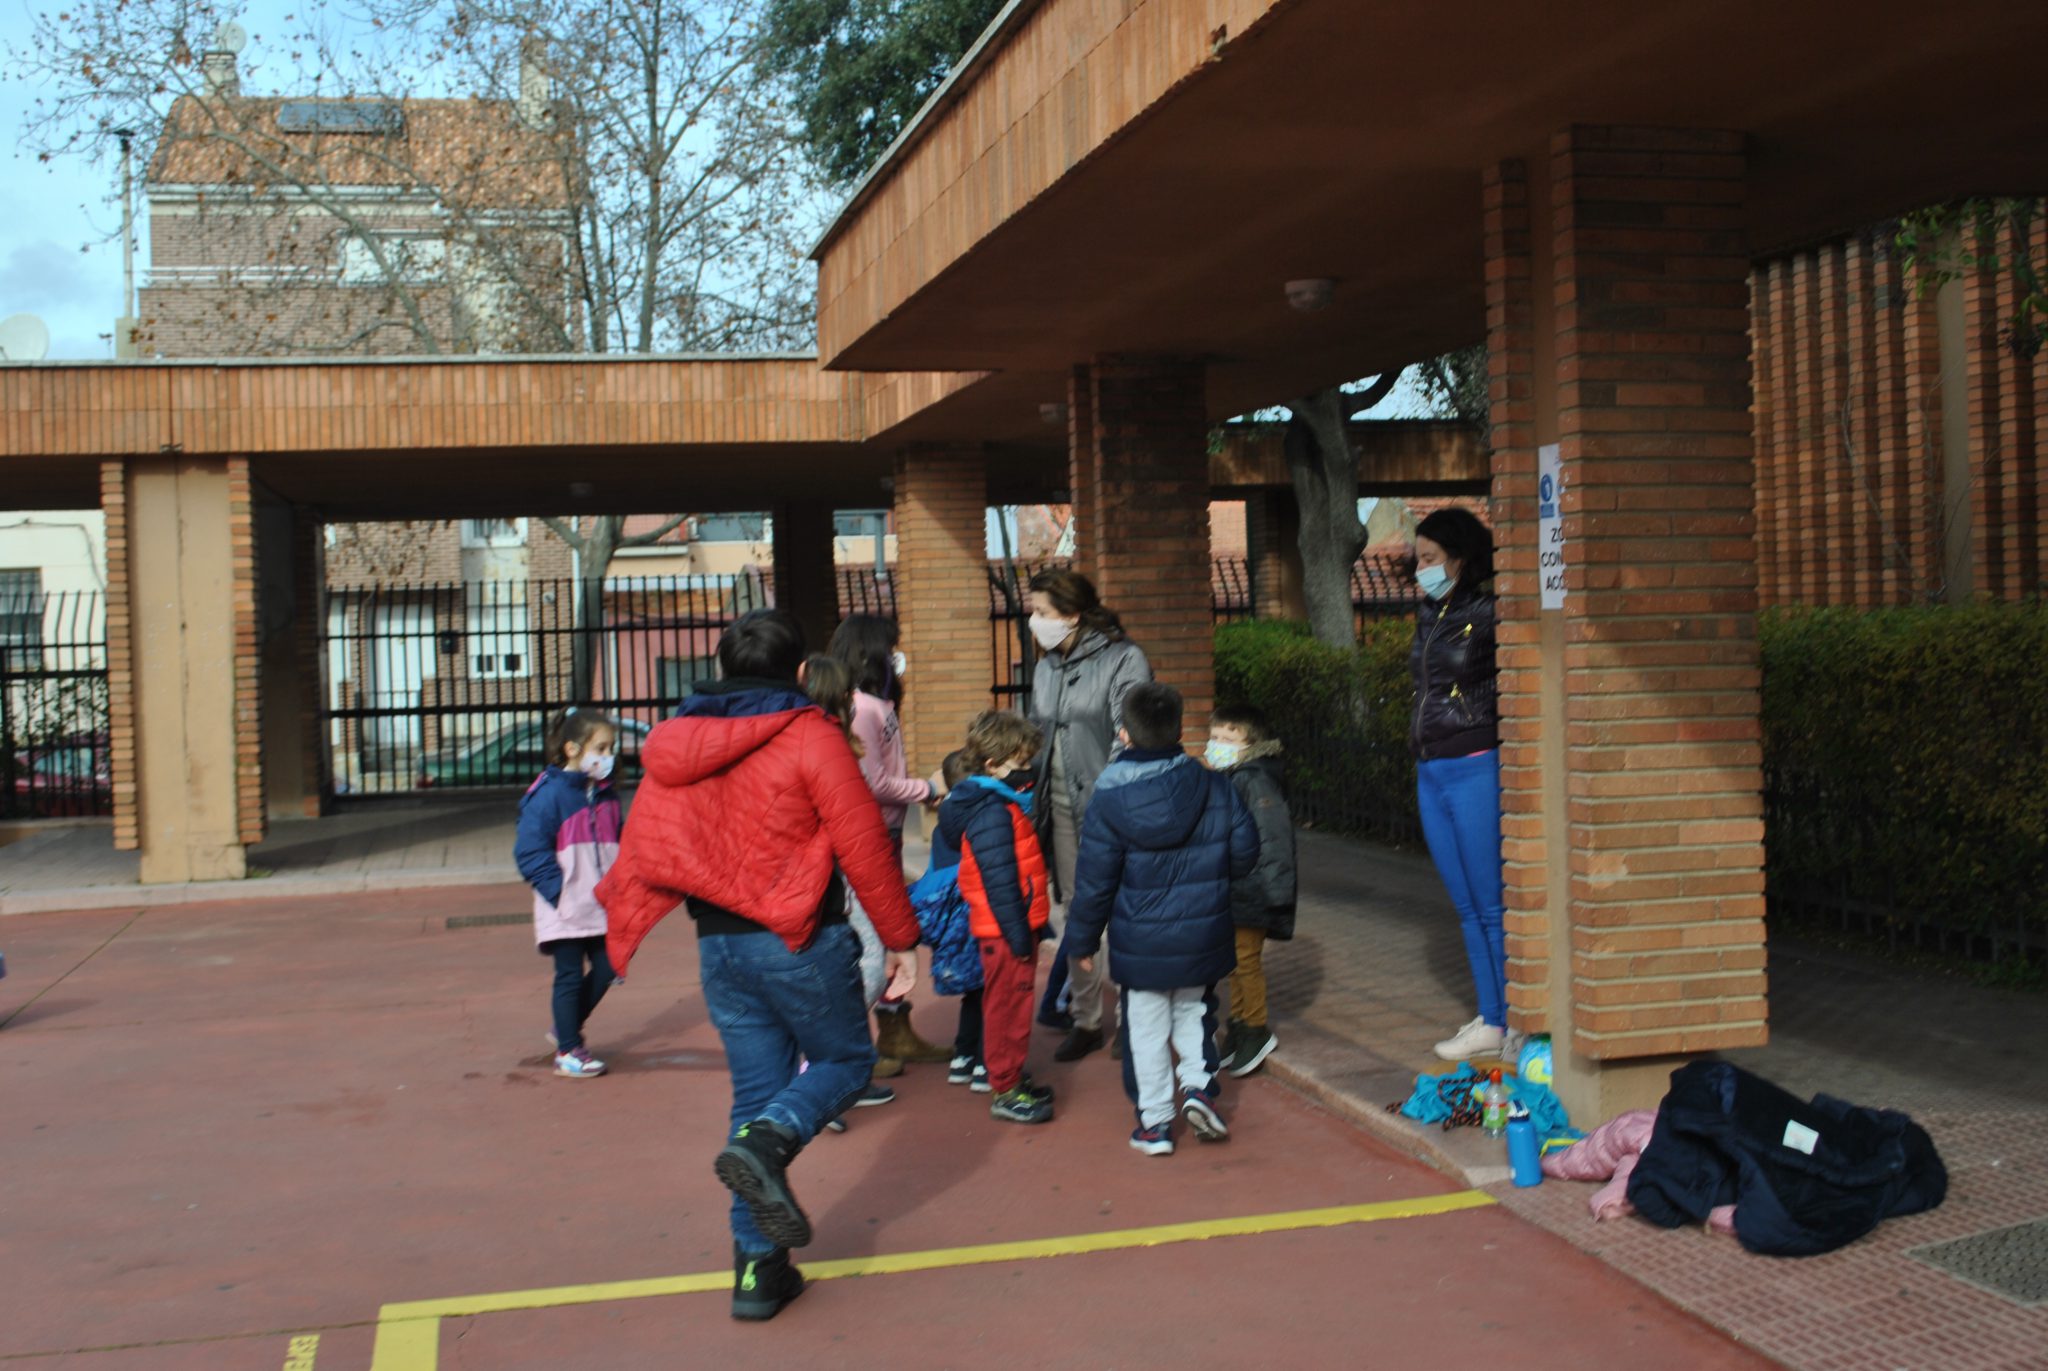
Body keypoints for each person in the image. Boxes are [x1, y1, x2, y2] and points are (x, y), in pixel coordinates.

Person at [596, 609, 918, 1322]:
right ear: (800, 672)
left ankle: (756, 1274)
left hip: (718, 944)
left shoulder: (677, 741)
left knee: (753, 1097)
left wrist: (628, 908)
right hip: (798, 936)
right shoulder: (811, 734)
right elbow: (863, 841)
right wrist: (900, 937)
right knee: (844, 1063)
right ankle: (772, 1143)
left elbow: (652, 834)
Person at [1065, 683, 1258, 1156]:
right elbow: (1247, 853)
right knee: (1194, 1011)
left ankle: (1155, 1124)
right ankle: (1197, 1087)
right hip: (1202, 932)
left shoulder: (1108, 799)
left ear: (1124, 734)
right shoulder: (1214, 784)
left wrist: (1082, 941)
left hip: (1140, 941)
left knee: (1145, 1030)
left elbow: (1094, 879)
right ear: (1178, 730)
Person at [1024, 568, 1152, 1063]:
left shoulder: (1125, 658)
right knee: (1078, 911)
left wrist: (1113, 793)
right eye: (1033, 612)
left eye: (1043, 613)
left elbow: (1131, 735)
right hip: (1056, 804)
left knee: (1123, 911)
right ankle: (1086, 1018)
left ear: (1073, 615)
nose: (1035, 622)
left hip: (1110, 804)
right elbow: (1040, 728)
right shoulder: (1047, 664)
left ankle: (1132, 1019)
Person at [1406, 507, 1510, 1063]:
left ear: (1459, 560)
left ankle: (1507, 1021)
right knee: (1467, 906)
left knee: (1492, 905)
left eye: (1429, 559)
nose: (1419, 569)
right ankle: (1490, 1018)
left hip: (1474, 764)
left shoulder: (1489, 614)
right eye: (1417, 559)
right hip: (1431, 769)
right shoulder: (1427, 613)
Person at [829, 614, 954, 1069]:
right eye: (892, 648)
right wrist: (928, 788)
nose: (898, 657)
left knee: (886, 935)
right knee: (872, 944)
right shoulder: (863, 707)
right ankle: (837, 1049)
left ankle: (895, 1030)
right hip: (871, 835)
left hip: (887, 833)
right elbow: (874, 781)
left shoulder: (875, 704)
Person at [939, 711, 1058, 1125]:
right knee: (1009, 1009)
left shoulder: (994, 801)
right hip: (1006, 930)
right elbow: (1001, 882)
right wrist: (1019, 934)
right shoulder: (993, 812)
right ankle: (1005, 1088)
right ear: (992, 765)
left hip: (1008, 927)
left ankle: (1008, 1077)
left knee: (1010, 1006)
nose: (1027, 771)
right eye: (1020, 762)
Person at [800, 652, 897, 1123]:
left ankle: (839, 1072)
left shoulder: (829, 742)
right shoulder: (825, 747)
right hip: (832, 876)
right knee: (870, 964)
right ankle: (819, 1071)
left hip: (836, 875)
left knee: (861, 966)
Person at [513, 707, 623, 1080]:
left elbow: (619, 844)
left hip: (600, 904)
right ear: (573, 749)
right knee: (570, 975)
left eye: (611, 748)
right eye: (601, 748)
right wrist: (558, 892)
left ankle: (566, 1027)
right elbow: (529, 851)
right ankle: (568, 1050)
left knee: (610, 966)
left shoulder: (606, 795)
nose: (608, 757)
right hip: (564, 906)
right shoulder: (549, 795)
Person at [1204, 705, 1296, 1077]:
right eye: (1215, 738)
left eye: (1230, 739)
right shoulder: (1232, 777)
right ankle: (1239, 1023)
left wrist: (1273, 893)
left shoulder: (1253, 780)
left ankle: (1256, 1027)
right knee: (1234, 962)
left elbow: (1273, 838)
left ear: (1251, 744)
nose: (1219, 745)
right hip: (1234, 887)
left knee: (1246, 960)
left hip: (1253, 887)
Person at [913, 747, 990, 1092]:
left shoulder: (945, 819)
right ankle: (987, 1064)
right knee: (991, 992)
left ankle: (963, 1057)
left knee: (973, 994)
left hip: (954, 924)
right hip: (978, 918)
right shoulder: (981, 817)